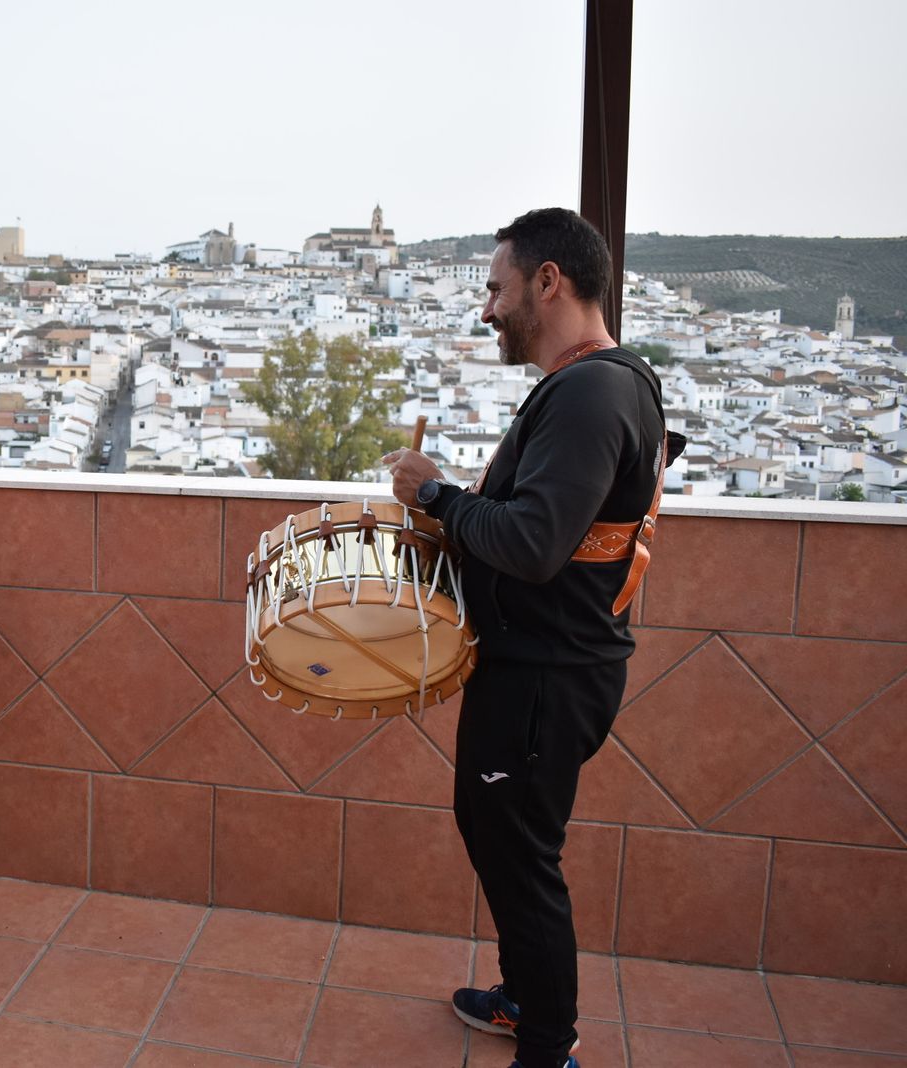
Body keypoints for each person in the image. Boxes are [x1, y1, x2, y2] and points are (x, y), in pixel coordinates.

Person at [383, 208, 677, 1068]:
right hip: (540, 664)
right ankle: (524, 998)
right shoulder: (600, 383)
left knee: (520, 856)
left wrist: (436, 496)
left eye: (496, 288)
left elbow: (534, 544)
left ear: (549, 282)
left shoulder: (592, 392)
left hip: (548, 673)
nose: (487, 310)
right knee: (493, 830)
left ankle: (548, 1049)